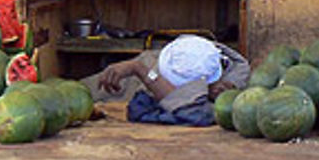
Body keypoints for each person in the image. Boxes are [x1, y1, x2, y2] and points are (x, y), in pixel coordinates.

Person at [95, 34, 250, 126]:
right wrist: (137, 67)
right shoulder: (195, 51)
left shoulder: (227, 88)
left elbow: (184, 106)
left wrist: (139, 69)